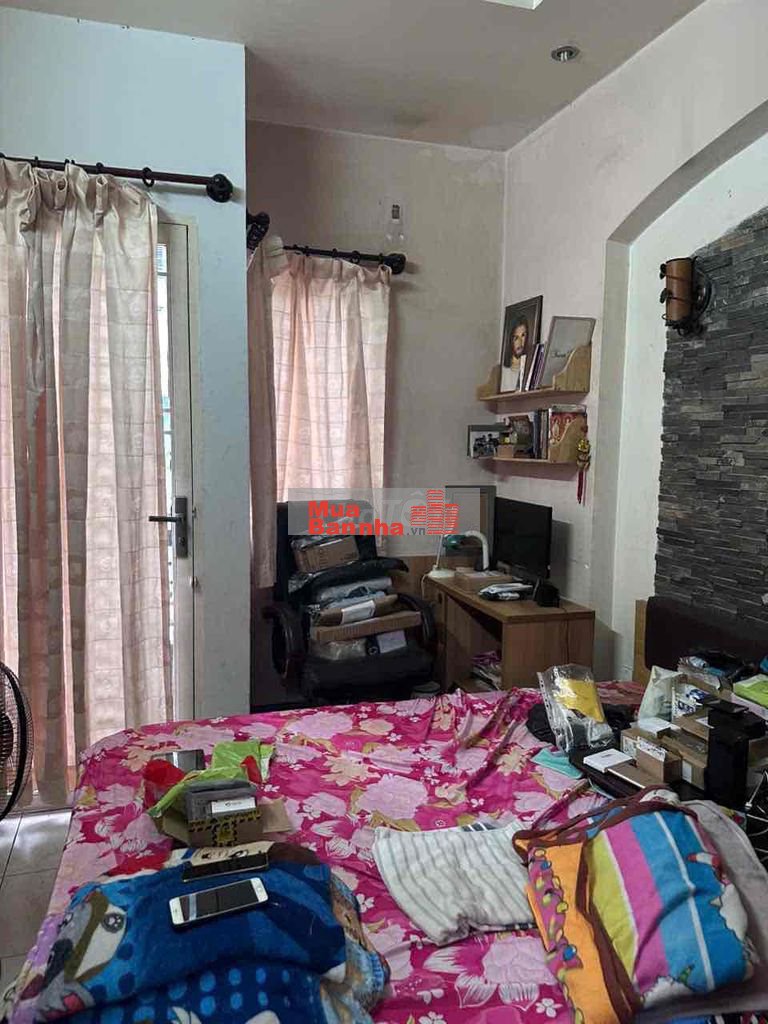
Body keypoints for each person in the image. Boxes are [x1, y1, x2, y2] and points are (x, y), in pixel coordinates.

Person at [499, 314, 529, 392]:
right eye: (516, 337)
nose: (520, 342)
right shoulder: (502, 372)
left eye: (523, 335)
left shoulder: (529, 369)